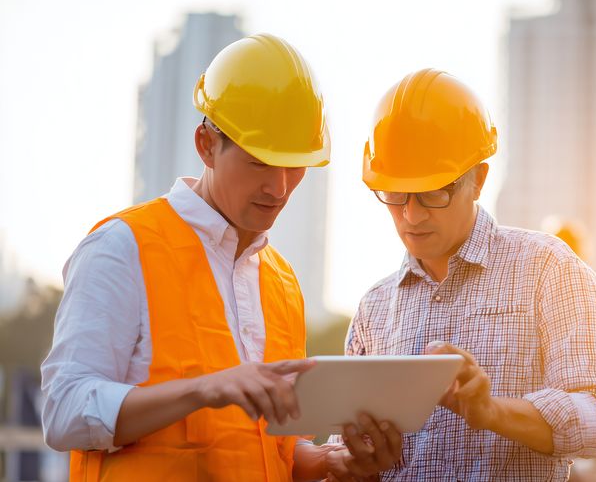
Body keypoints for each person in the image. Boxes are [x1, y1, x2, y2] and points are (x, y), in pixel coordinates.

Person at [41, 33, 401, 481]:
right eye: (259, 162)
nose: (281, 187)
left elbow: (271, 451)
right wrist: (202, 389)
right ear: (206, 145)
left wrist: (329, 461)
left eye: (294, 165)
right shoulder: (122, 247)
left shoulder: (282, 282)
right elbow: (63, 411)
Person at [346, 68, 596, 480]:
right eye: (395, 193)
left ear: (478, 179)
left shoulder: (547, 268)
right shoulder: (374, 308)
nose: (412, 214)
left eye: (434, 192)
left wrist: (493, 411)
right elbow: (346, 455)